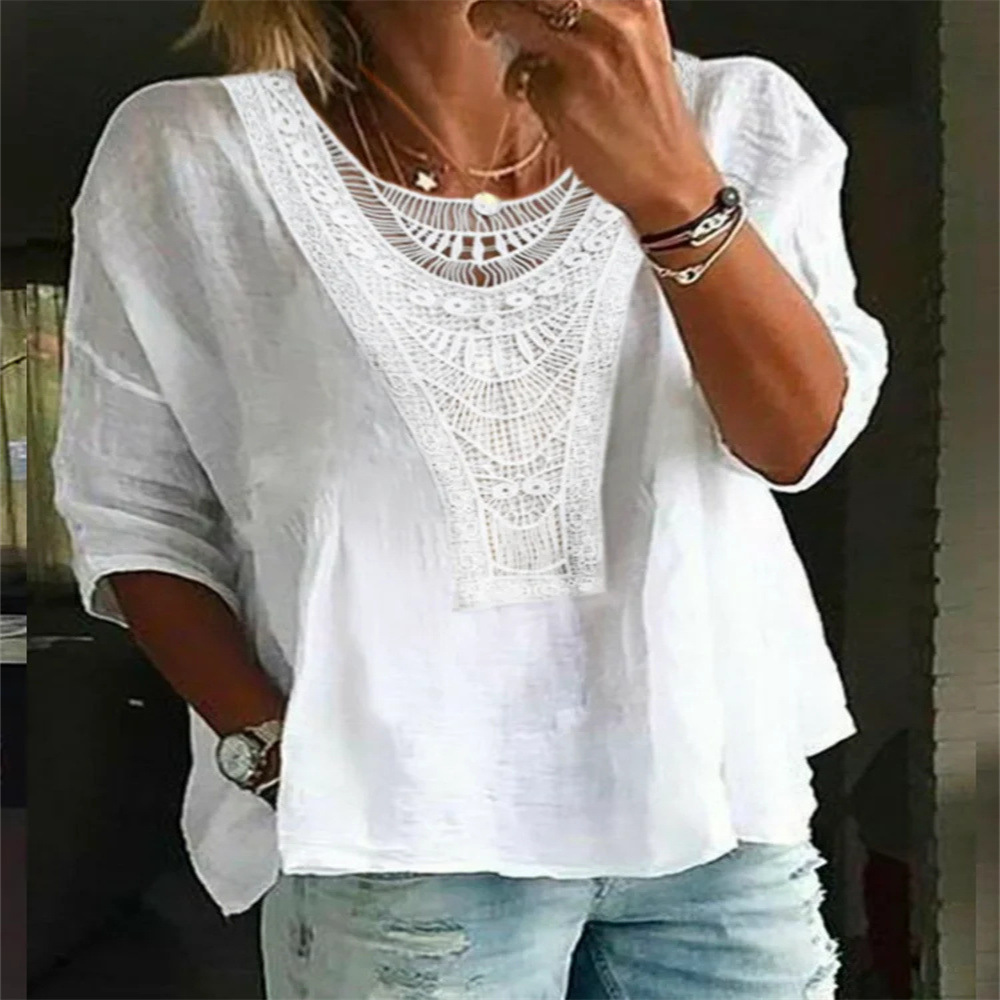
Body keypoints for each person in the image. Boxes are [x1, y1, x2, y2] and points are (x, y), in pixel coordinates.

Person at [51, 0, 890, 996]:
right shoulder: (191, 150)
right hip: (400, 836)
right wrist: (274, 754)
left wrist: (671, 186)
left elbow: (795, 442)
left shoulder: (736, 114)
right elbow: (135, 509)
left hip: (718, 821)